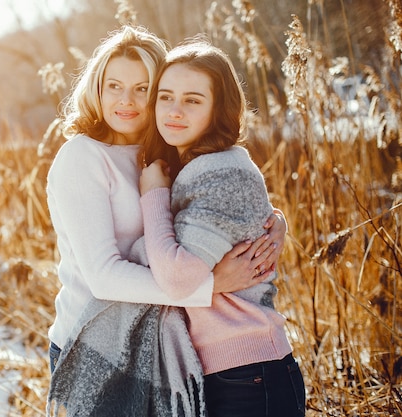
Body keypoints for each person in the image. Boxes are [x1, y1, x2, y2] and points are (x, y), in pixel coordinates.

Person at [44, 25, 286, 416]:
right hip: (98, 342)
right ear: (97, 89)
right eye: (114, 86)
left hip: (159, 344)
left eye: (143, 89)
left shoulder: (169, 150)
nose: (127, 101)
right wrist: (209, 286)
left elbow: (217, 205)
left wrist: (274, 224)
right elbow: (103, 276)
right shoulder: (82, 157)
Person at [137, 37, 305, 417]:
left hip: (248, 373)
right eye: (165, 96)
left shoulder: (220, 172)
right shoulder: (200, 166)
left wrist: (154, 195)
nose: (174, 111)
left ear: (218, 109)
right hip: (236, 371)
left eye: (193, 100)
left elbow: (179, 277)